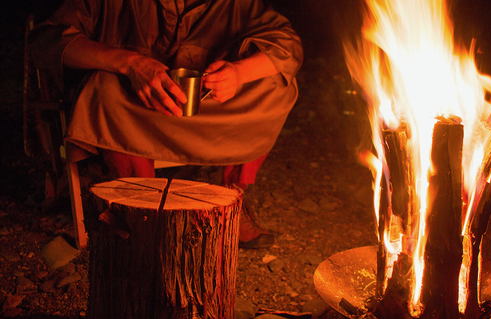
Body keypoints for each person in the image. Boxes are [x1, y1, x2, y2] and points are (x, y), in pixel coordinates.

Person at [29, 0, 303, 248]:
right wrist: (128, 62)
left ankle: (232, 197)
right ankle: (142, 209)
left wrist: (237, 73)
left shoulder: (235, 5)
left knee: (273, 87)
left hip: (204, 108)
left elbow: (289, 45)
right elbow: (46, 40)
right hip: (133, 107)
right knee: (103, 88)